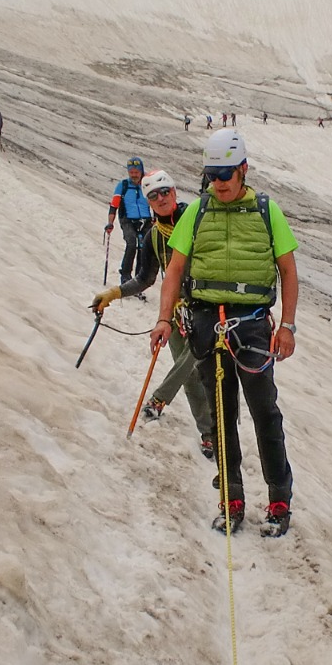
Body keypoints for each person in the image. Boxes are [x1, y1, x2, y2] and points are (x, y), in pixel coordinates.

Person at [150, 128, 298, 536]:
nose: (219, 182)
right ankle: (232, 499)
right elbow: (175, 270)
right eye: (213, 174)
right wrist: (164, 318)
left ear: (243, 170)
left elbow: (288, 270)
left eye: (226, 174)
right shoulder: (197, 213)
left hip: (252, 327)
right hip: (206, 324)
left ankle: (279, 499)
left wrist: (287, 325)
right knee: (222, 416)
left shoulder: (268, 211)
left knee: (265, 413)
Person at [90, 170, 212, 457]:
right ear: (148, 202)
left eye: (165, 192)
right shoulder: (153, 237)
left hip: (207, 309)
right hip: (175, 312)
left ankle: (159, 399)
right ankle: (209, 434)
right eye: (153, 196)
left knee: (193, 360)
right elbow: (145, 278)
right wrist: (113, 293)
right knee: (192, 377)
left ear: (174, 192)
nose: (160, 198)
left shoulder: (198, 220)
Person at [106, 157, 153, 289]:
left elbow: (155, 202)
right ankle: (125, 276)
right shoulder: (123, 185)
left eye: (136, 172)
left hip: (146, 221)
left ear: (141, 171)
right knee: (131, 243)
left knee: (144, 249)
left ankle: (140, 279)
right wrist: (110, 223)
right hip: (127, 220)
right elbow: (114, 205)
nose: (133, 175)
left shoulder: (147, 185)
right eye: (131, 172)